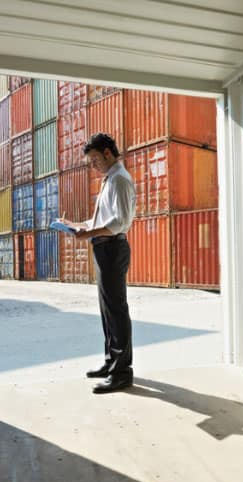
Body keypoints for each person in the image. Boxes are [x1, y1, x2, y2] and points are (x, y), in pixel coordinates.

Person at [58, 133, 136, 394]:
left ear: (107, 153)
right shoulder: (109, 180)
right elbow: (102, 220)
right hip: (104, 249)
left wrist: (87, 234)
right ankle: (111, 362)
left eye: (94, 160)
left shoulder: (120, 180)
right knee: (107, 310)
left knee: (116, 310)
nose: (93, 166)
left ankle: (122, 372)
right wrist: (76, 226)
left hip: (113, 249)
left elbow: (119, 222)